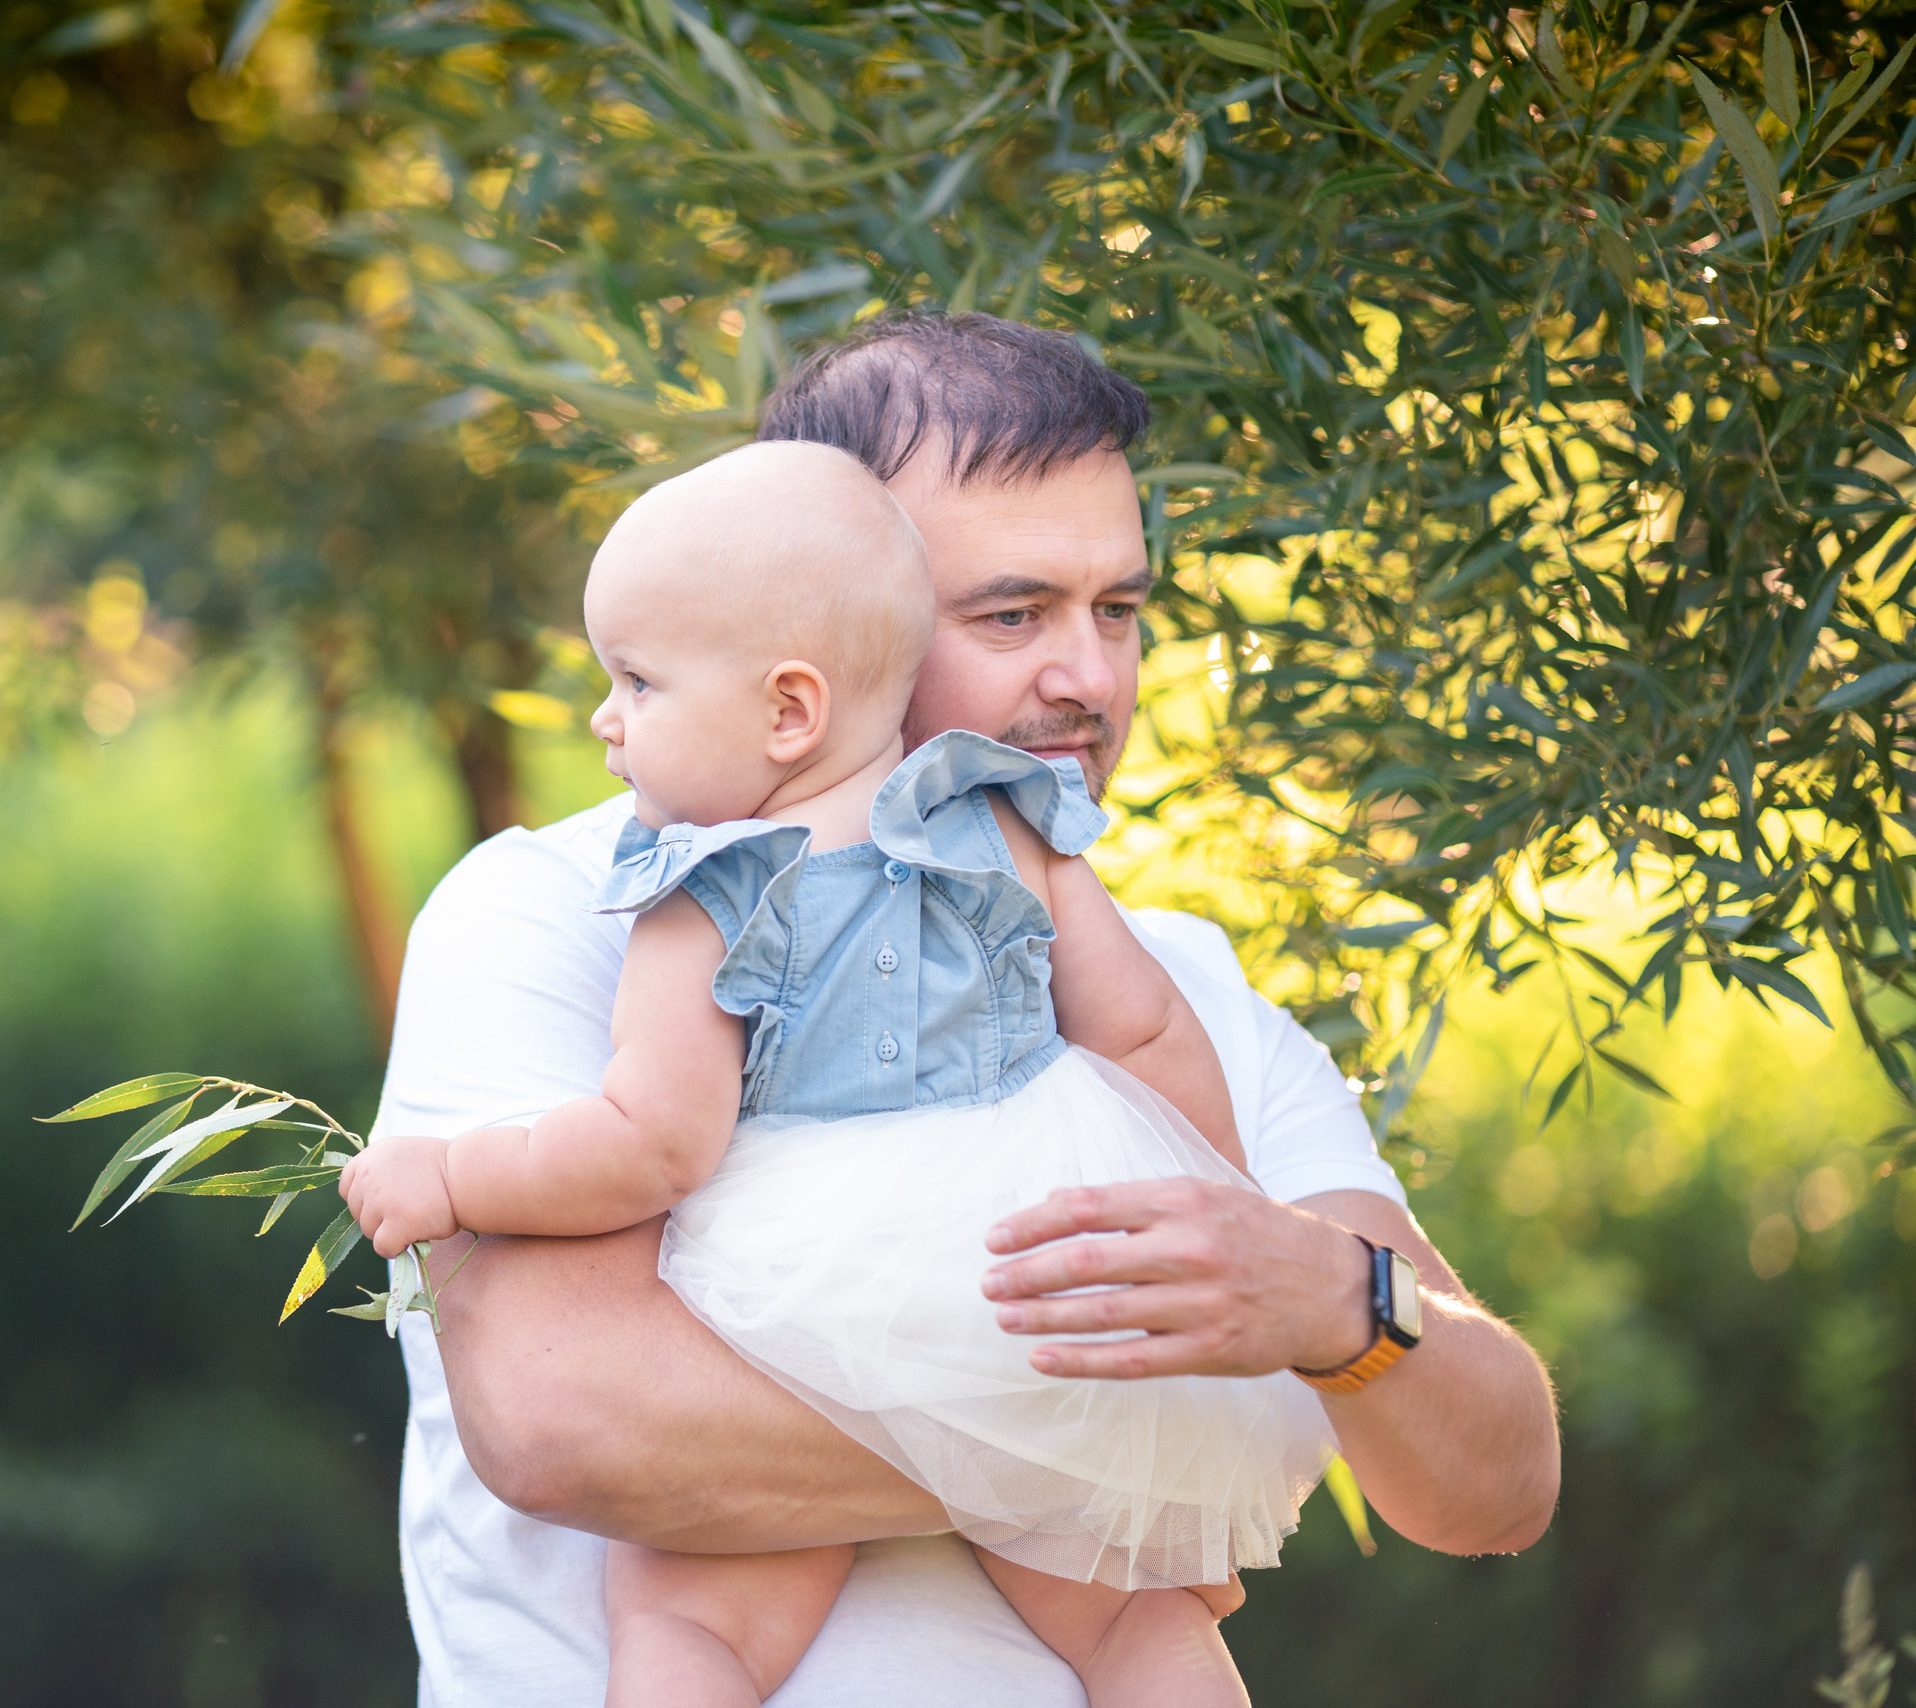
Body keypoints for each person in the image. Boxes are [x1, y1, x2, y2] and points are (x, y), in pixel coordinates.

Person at [375, 313, 1561, 1706]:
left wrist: (1345, 1308)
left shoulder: (1179, 988)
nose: (1090, 678)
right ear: (814, 621)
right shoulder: (579, 913)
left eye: (1117, 609)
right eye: (1013, 614)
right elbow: (575, 1422)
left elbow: (1497, 1483)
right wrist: (1144, 1441)